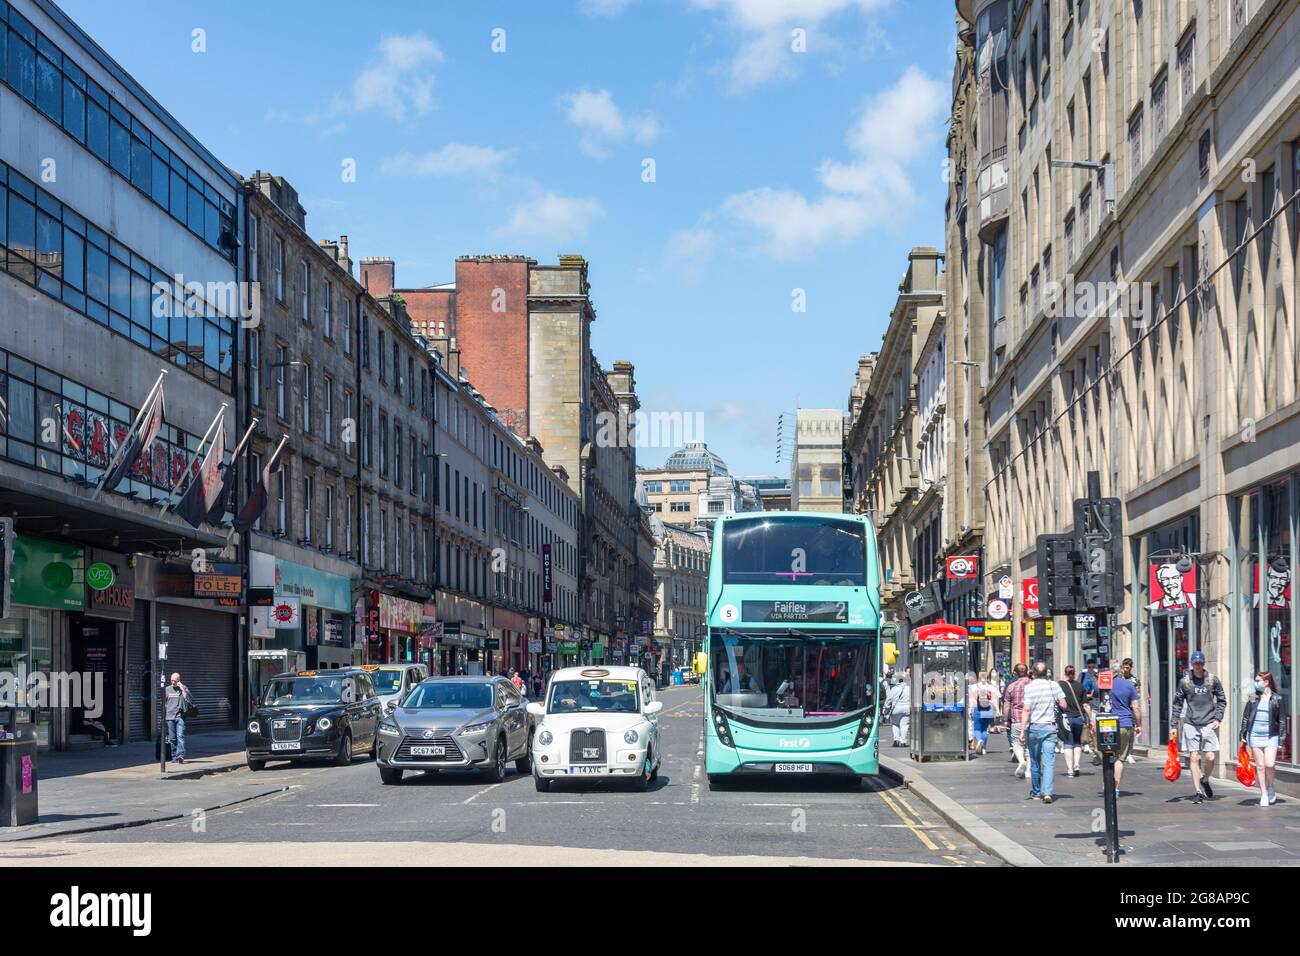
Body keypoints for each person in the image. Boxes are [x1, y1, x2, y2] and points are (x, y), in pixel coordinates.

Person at [1171, 650, 1227, 805]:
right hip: (1191, 723)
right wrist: (1173, 724)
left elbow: (1222, 700)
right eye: (1195, 663)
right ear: (1191, 664)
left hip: (1209, 722)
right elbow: (1177, 703)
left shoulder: (1212, 680)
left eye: (1200, 663)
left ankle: (1205, 779)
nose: (1198, 665)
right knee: (1194, 757)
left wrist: (1218, 718)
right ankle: (1197, 792)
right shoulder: (1185, 682)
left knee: (1210, 757)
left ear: (1204, 664)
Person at [1019, 661, 1067, 803]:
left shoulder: (1029, 688)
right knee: (1049, 762)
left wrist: (1022, 730)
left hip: (1034, 727)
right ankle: (1047, 793)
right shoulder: (1054, 685)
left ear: (1032, 673)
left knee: (1034, 761)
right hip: (1050, 727)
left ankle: (1036, 792)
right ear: (1047, 672)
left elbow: (1026, 709)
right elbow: (1064, 704)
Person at [1240, 671, 1285, 806]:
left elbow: (1282, 720)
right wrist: (1243, 735)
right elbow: (1246, 717)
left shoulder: (1277, 699)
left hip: (1271, 736)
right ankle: (1264, 794)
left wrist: (1281, 740)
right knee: (1260, 766)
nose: (1256, 683)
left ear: (1266, 682)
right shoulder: (1253, 698)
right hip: (1255, 735)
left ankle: (1271, 787)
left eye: (1258, 680)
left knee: (1269, 764)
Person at [1106, 664, 1142, 791]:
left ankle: (1107, 779)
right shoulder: (1129, 685)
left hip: (1107, 724)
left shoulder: (1106, 684)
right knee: (1120, 758)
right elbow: (1136, 708)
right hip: (1124, 723)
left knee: (1107, 753)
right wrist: (1138, 725)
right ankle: (1115, 787)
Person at [1058, 665, 1089, 777]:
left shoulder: (1060, 685)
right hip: (1079, 718)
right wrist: (1089, 719)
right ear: (1074, 673)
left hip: (1066, 718)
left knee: (1067, 743)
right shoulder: (1080, 686)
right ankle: (1076, 764)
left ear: (1065, 673)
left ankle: (1070, 769)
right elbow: (1085, 705)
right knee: (1077, 742)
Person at [1003, 663, 1031, 777]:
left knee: (1016, 742)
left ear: (1015, 673)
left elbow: (1006, 706)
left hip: (1017, 719)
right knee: (1030, 745)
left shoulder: (1011, 686)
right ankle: (1029, 771)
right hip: (1031, 719)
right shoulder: (1033, 684)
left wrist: (1006, 720)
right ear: (1028, 671)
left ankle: (1021, 761)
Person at [164, 672, 194, 764]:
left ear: (179, 680)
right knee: (172, 738)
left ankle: (180, 756)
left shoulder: (183, 688)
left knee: (180, 736)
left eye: (175, 681)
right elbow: (163, 702)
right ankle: (174, 756)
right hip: (169, 716)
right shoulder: (167, 689)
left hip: (180, 716)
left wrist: (182, 689)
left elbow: (189, 699)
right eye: (171, 680)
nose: (173, 682)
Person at [969, 669, 1000, 755]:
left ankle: (979, 740)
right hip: (988, 708)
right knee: (985, 729)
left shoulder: (974, 687)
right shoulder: (991, 687)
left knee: (977, 729)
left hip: (977, 708)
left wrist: (970, 710)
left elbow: (972, 700)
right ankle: (984, 748)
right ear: (987, 676)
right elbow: (994, 700)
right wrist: (997, 710)